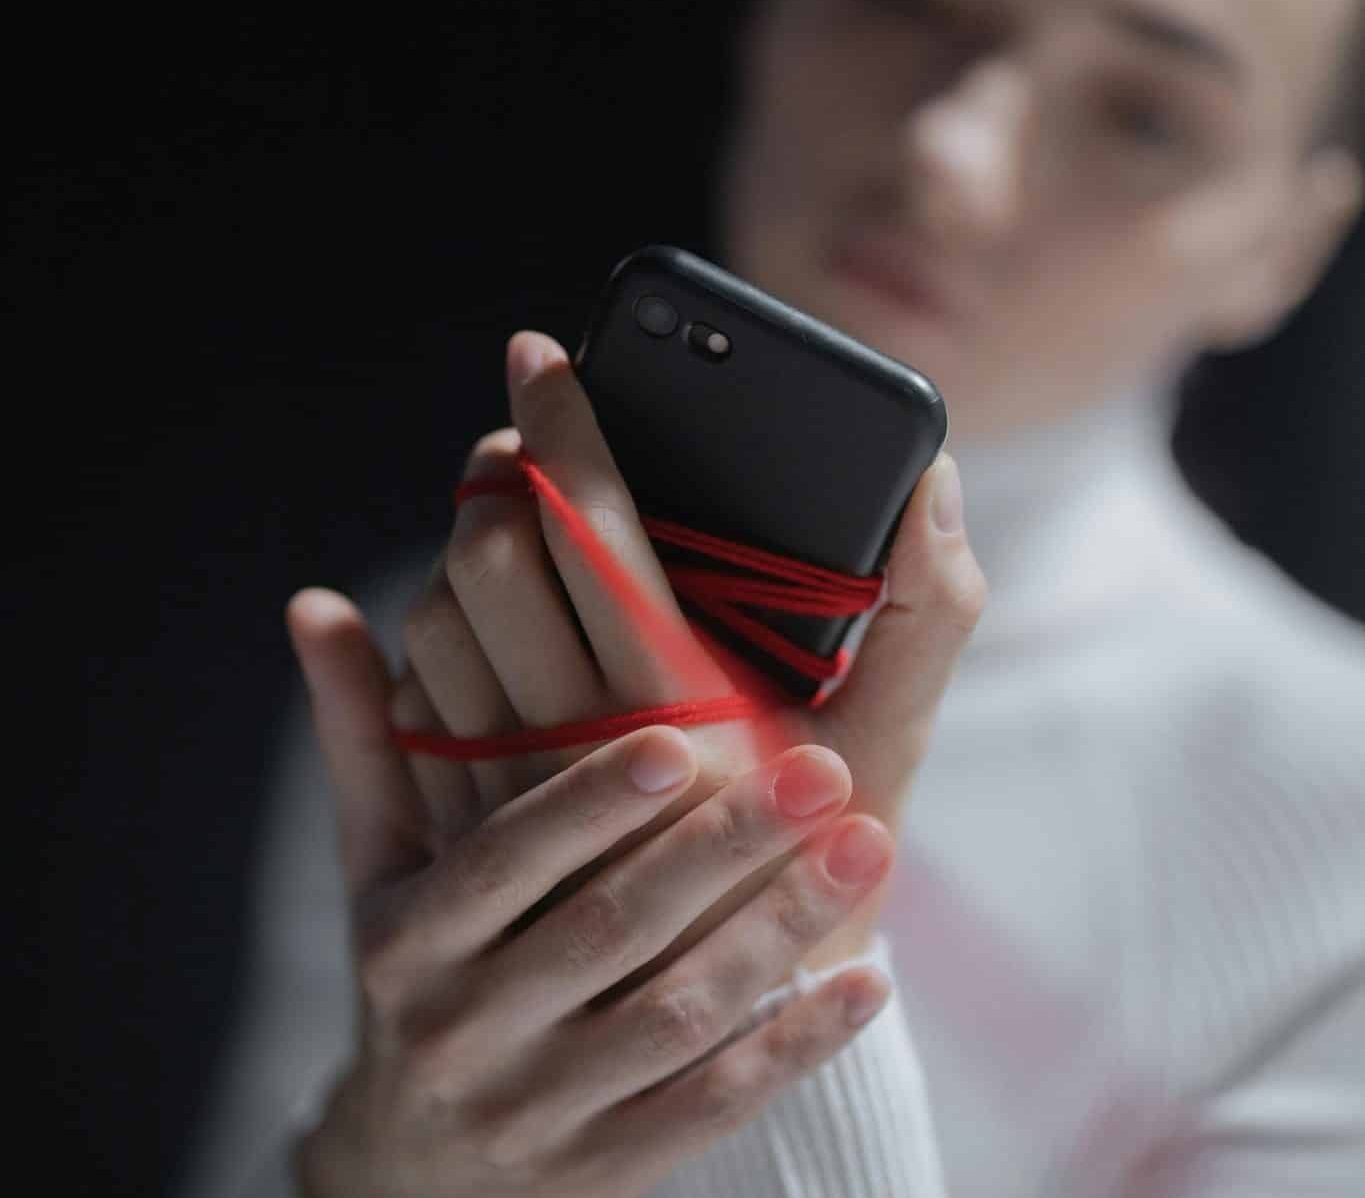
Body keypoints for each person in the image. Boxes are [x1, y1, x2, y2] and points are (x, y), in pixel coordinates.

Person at [180, 0, 1365, 1195]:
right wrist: (367, 1164)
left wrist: (777, 980)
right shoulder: (469, 626)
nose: (948, 151)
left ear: (1286, 246)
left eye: (1146, 118)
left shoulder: (1342, 846)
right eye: (918, 7)